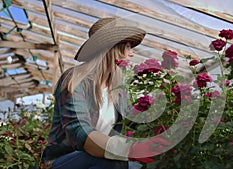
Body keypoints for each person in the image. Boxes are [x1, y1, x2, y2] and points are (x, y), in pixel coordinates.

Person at [41, 18, 170, 169]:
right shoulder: (75, 80)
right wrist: (130, 150)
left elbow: (133, 121)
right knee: (115, 162)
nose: (132, 53)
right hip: (65, 160)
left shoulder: (118, 87)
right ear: (113, 47)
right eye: (128, 47)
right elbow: (79, 132)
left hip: (100, 159)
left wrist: (167, 120)